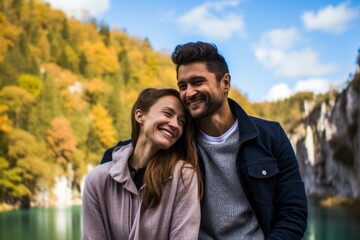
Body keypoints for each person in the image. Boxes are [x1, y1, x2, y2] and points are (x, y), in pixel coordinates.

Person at [102, 41, 308, 239]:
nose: (189, 93)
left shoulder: (271, 136)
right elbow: (132, 151)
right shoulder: (178, 140)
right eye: (182, 86)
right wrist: (112, 159)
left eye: (198, 82)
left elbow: (293, 213)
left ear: (225, 83)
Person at [83, 88, 203, 240]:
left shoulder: (183, 175)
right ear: (140, 115)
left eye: (181, 121)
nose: (175, 124)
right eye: (167, 113)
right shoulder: (97, 180)